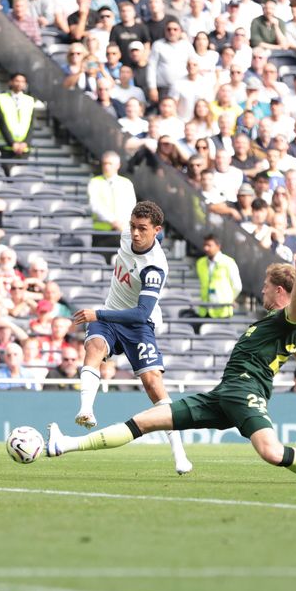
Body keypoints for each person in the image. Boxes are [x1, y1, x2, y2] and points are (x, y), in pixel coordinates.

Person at [46, 251, 296, 486]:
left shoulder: (285, 318)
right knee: (144, 421)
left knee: (271, 451)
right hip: (223, 395)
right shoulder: (280, 327)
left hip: (245, 391)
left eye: (266, 286)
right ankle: (65, 445)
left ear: (279, 290)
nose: (261, 290)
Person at [67, 201, 192, 475]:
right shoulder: (126, 235)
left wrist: (97, 314)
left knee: (152, 383)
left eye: (143, 229)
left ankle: (179, 454)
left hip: (137, 324)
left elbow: (140, 313)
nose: (135, 233)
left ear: (156, 231)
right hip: (112, 314)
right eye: (133, 226)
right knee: (94, 348)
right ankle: (86, 410)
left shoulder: (154, 268)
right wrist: (103, 315)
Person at [195, 234, 242, 318]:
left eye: (209, 245)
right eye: (205, 245)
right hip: (204, 310)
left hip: (223, 310)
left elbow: (237, 286)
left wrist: (230, 299)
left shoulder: (229, 262)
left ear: (218, 246)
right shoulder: (200, 262)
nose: (206, 248)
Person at [0, 72, 35, 160]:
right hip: (6, 146)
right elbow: (2, 122)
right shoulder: (2, 98)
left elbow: (31, 124)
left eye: (22, 81)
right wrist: (12, 143)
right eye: (17, 81)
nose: (19, 84)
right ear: (11, 82)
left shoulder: (30, 100)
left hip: (24, 147)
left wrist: (25, 143)